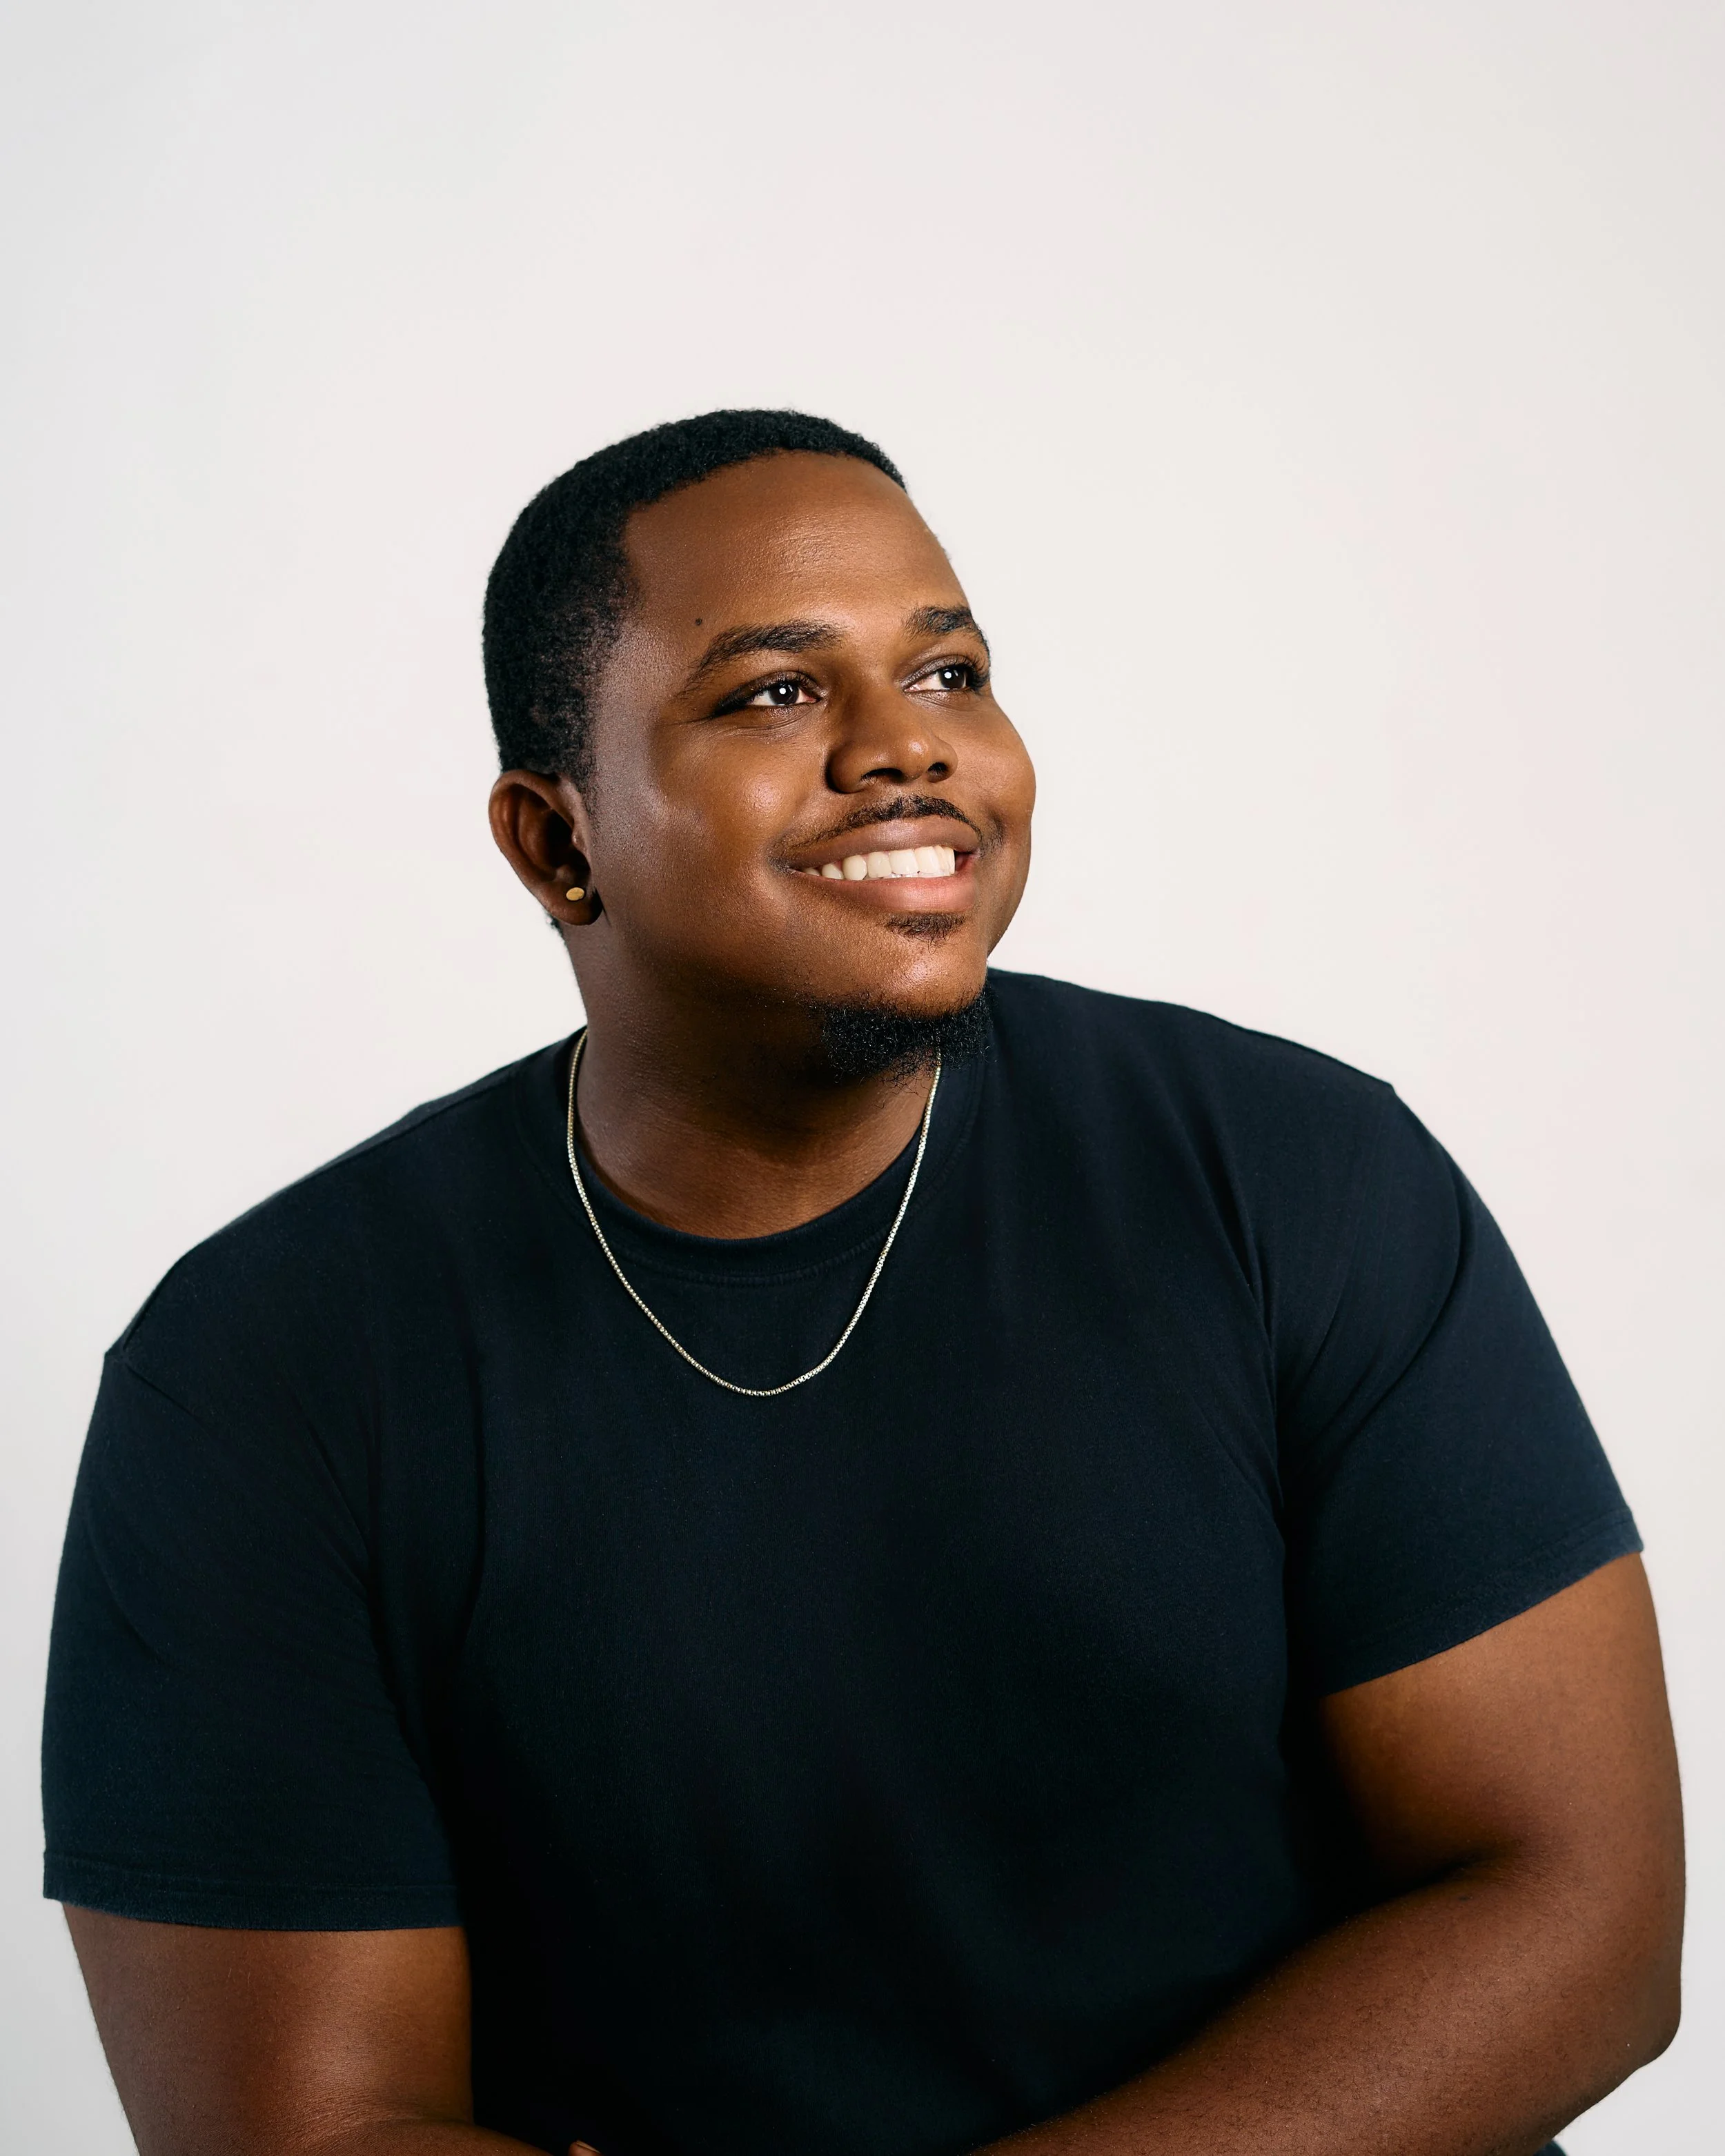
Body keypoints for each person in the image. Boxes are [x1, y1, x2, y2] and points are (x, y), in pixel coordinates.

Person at [43, 410, 1682, 2156]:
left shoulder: (1292, 1177)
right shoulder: (258, 1377)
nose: (909, 750)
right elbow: (299, 2129)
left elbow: (1576, 1915)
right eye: (772, 692)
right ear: (554, 842)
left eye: (953, 671)